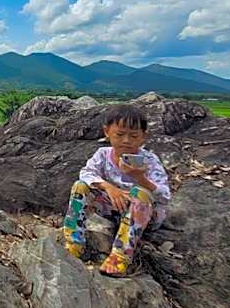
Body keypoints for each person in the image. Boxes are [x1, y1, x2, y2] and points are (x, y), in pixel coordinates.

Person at [62, 103, 170, 277]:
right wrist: (108, 187)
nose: (126, 141)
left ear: (143, 137)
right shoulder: (103, 155)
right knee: (80, 186)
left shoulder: (149, 161)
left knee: (140, 193)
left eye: (133, 136)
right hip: (115, 208)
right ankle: (74, 242)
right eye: (120, 134)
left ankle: (120, 256)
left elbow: (165, 196)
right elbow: (86, 173)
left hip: (143, 216)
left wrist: (140, 178)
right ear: (107, 132)